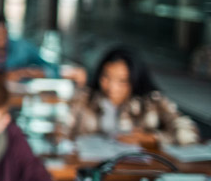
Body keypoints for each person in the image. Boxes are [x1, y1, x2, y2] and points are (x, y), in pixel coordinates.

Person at [63, 47, 199, 146]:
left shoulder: (151, 101)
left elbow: (189, 132)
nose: (112, 87)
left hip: (136, 173)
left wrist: (151, 138)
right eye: (106, 77)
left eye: (122, 81)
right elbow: (61, 129)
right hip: (91, 170)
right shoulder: (85, 98)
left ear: (135, 80)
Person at [0, 14, 58, 81]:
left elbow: (50, 68)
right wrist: (2, 77)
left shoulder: (23, 47)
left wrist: (27, 72)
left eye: (2, 33)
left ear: (6, 31)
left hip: (19, 95)